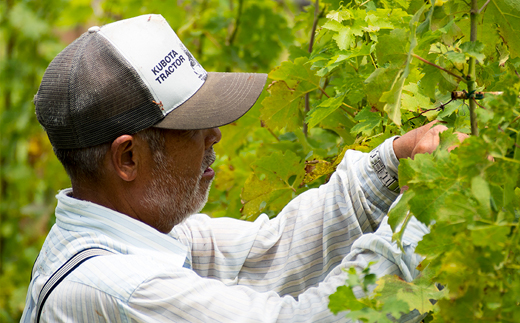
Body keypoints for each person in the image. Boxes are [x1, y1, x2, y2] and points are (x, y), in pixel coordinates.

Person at [21, 14, 450, 323]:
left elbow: (273, 251)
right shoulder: (124, 290)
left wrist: (392, 163)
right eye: (191, 126)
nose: (214, 134)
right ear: (128, 158)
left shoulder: (141, 233)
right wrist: (429, 206)